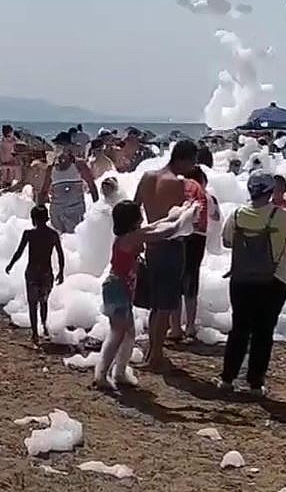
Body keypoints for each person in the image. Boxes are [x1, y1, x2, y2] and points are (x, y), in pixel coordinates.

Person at [94, 200, 198, 390]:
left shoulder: (130, 236)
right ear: (133, 220)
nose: (142, 219)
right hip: (117, 289)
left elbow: (158, 225)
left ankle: (119, 372)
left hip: (120, 289)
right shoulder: (130, 238)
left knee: (128, 334)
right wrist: (187, 214)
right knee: (118, 334)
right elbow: (167, 231)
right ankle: (102, 374)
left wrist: (180, 212)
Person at [218, 170, 286, 395]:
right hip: (274, 280)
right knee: (264, 331)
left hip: (241, 280)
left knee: (239, 329)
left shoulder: (236, 215)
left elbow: (227, 242)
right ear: (270, 191)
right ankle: (255, 383)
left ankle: (227, 379)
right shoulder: (281, 216)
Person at [133, 139, 198, 369]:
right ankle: (156, 355)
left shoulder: (147, 177)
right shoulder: (177, 183)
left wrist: (138, 238)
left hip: (151, 244)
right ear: (184, 159)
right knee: (166, 304)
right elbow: (178, 221)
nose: (192, 167)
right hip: (170, 245)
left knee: (155, 303)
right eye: (192, 162)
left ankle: (152, 352)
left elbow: (134, 209)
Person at [5, 205, 65, 346]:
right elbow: (60, 254)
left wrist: (11, 264)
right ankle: (44, 326)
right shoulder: (53, 234)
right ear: (46, 218)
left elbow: (19, 252)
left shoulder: (29, 234)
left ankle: (34, 334)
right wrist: (61, 271)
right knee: (44, 301)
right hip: (46, 273)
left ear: (34, 219)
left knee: (33, 304)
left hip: (32, 272)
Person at [169, 166, 209, 340]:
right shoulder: (203, 193)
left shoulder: (178, 186)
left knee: (175, 280)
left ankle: (175, 327)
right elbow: (214, 216)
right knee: (192, 278)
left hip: (178, 234)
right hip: (198, 235)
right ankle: (190, 326)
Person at [39, 135, 99, 233]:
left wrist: (97, 210)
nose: (58, 148)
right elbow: (44, 191)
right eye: (57, 146)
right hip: (57, 213)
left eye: (61, 145)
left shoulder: (79, 165)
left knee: (75, 237)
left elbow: (92, 186)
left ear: (69, 147)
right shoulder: (51, 169)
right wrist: (39, 215)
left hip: (76, 211)